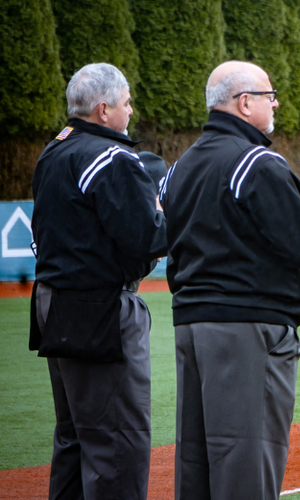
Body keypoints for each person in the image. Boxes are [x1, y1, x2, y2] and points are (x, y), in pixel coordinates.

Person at [161, 61, 300, 498]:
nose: (275, 104)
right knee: (247, 462)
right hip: (248, 328)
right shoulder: (256, 162)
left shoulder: (181, 165)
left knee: (196, 463)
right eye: (269, 96)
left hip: (192, 324)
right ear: (244, 102)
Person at [29, 62, 167, 499]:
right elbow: (146, 238)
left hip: (54, 301)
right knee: (117, 443)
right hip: (98, 307)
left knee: (74, 438)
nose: (131, 112)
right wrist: (168, 212)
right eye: (126, 104)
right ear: (104, 110)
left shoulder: (54, 149)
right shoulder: (111, 155)